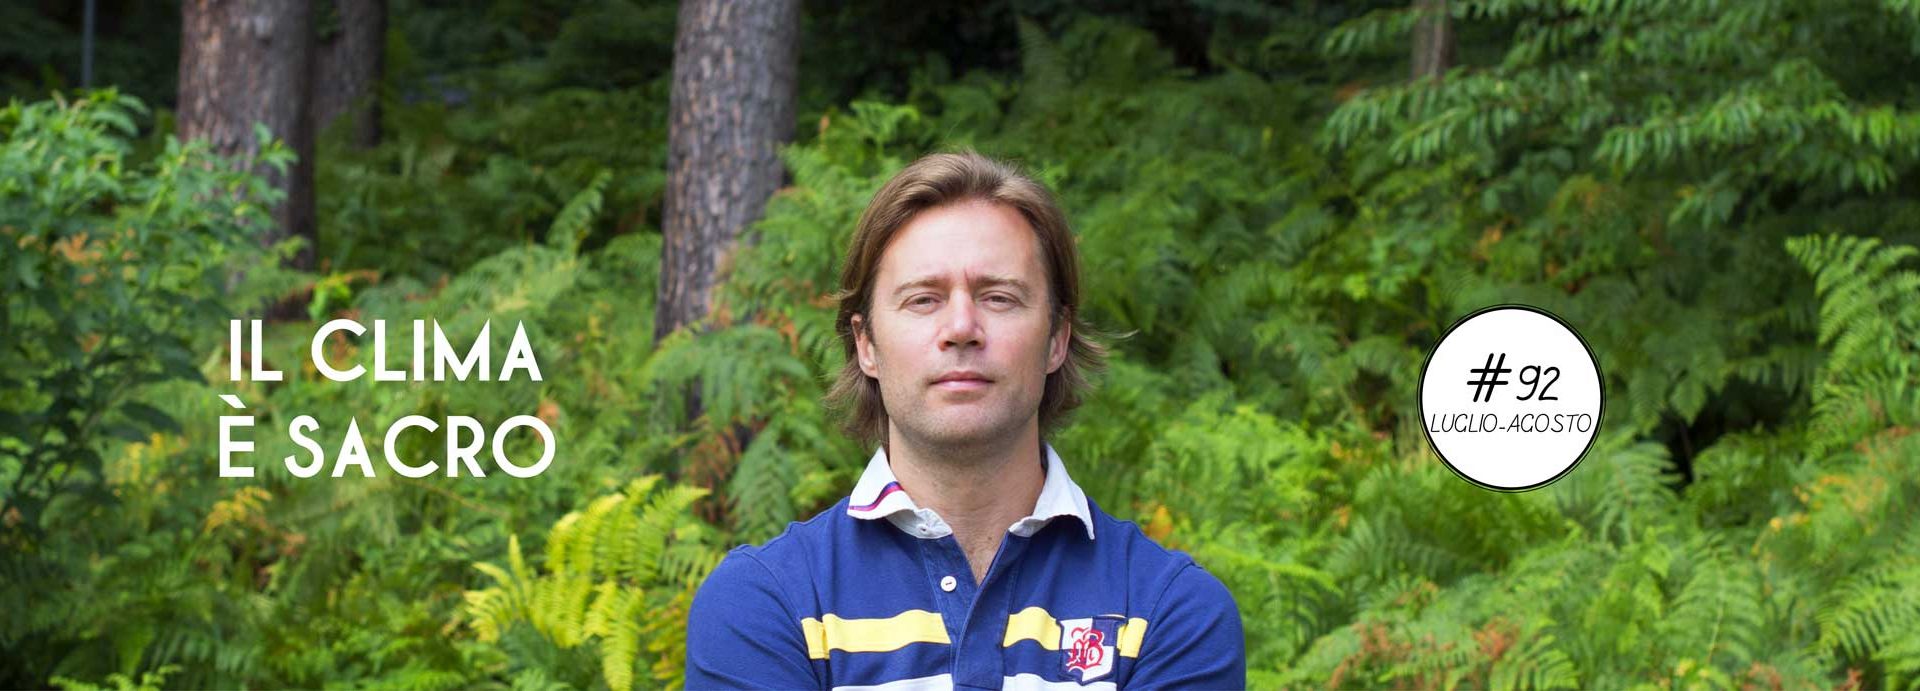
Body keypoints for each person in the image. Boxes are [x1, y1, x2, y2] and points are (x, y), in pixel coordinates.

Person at [686, 151, 1245, 690]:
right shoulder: (767, 602)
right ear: (866, 345)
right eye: (923, 300)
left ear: (1056, 338)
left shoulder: (1167, 611)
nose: (961, 328)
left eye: (999, 298)